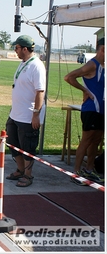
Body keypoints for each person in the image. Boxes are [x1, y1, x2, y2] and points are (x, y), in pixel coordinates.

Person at [5, 35, 46, 187]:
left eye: (16, 48)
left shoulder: (36, 66)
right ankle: (20, 170)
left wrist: (36, 114)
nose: (15, 51)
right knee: (12, 143)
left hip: (28, 116)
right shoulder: (24, 63)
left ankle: (28, 176)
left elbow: (40, 91)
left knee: (27, 147)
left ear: (24, 48)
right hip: (15, 114)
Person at [64, 37, 104, 185]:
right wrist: (84, 90)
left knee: (97, 140)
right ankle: (76, 172)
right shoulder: (91, 65)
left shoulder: (102, 66)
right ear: (103, 49)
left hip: (101, 110)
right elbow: (69, 77)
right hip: (91, 109)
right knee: (87, 140)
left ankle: (89, 170)